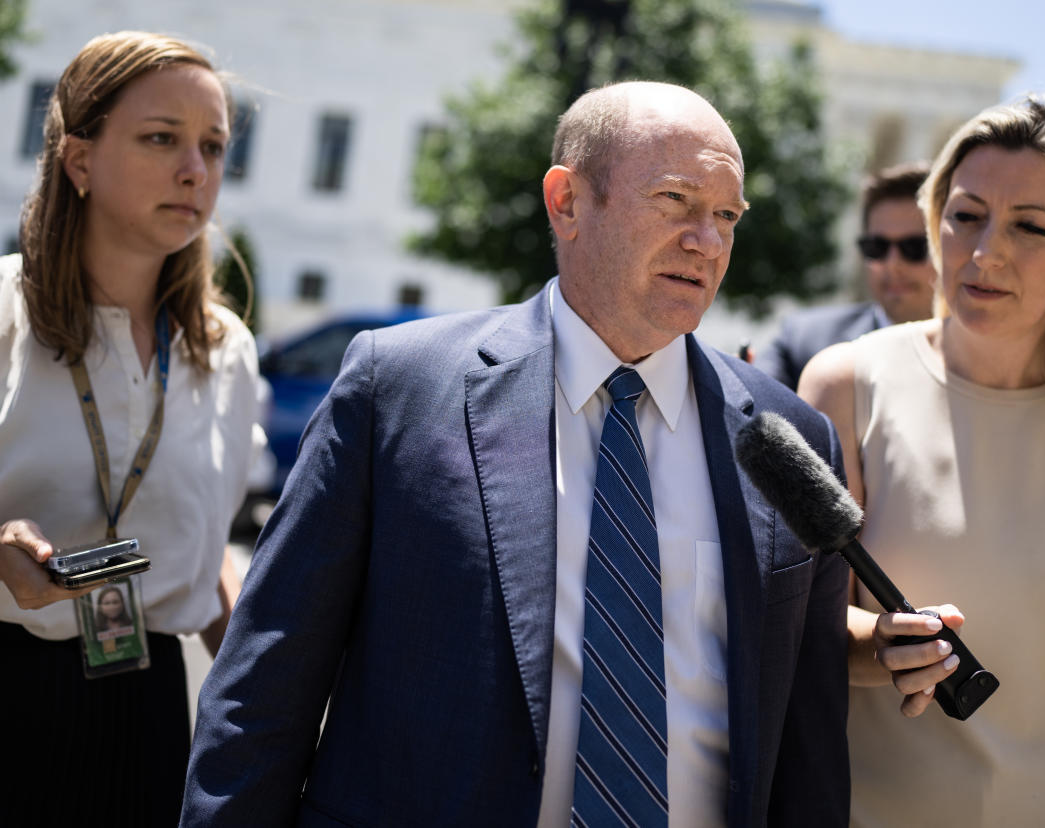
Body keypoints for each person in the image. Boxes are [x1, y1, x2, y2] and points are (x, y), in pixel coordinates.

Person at [183, 82, 854, 826]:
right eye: (675, 201)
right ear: (567, 201)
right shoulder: (397, 387)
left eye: (726, 215)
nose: (709, 240)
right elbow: (264, 684)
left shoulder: (788, 437)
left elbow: (808, 748)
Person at [798, 94, 1045, 826]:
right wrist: (878, 645)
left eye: (1030, 227)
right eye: (966, 215)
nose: (985, 253)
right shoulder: (846, 385)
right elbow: (799, 633)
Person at [0, 31, 265, 828]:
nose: (196, 170)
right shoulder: (5, 313)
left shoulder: (225, 351)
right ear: (79, 161)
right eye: (162, 139)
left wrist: (278, 684)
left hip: (146, 707)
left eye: (213, 146)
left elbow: (212, 545)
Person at [757, 161, 936, 389]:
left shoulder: (987, 356)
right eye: (877, 247)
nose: (892, 264)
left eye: (914, 247)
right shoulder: (802, 342)